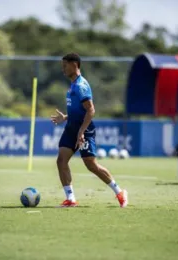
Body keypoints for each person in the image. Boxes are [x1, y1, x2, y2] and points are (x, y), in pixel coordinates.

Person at [51, 53, 128, 208]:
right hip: (71, 129)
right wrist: (65, 118)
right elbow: (78, 110)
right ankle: (71, 199)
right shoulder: (72, 85)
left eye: (65, 65)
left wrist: (81, 132)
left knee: (91, 165)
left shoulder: (81, 86)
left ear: (74, 65)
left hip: (84, 131)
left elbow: (91, 110)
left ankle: (119, 192)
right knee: (61, 160)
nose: (63, 69)